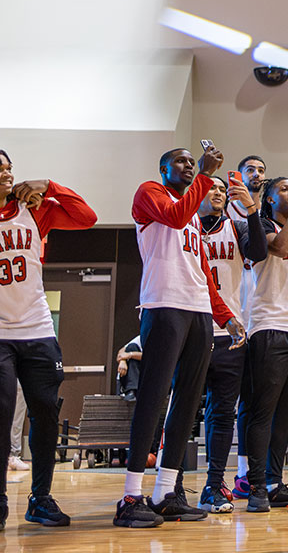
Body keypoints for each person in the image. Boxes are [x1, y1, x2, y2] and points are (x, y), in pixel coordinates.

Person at [116, 145, 244, 528]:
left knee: (188, 404)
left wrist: (226, 315)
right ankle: (130, 495)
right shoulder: (150, 194)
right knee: (153, 399)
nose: (188, 166)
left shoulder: (192, 212)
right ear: (163, 168)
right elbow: (173, 216)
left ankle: (166, 492)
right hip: (164, 306)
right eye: (181, 162)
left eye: (193, 162)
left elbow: (202, 270)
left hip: (199, 311)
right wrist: (205, 174)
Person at [0, 151, 97, 528]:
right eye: (0, 167)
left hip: (37, 329)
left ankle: (40, 498)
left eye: (9, 167)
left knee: (45, 411)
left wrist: (51, 186)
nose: (7, 173)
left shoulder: (35, 210)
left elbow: (86, 217)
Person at [240, 176, 288, 511]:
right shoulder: (259, 225)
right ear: (270, 200)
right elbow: (280, 247)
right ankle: (256, 485)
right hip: (268, 328)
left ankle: (274, 481)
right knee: (263, 412)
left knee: (284, 415)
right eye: (285, 190)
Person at [194, 176, 268, 513]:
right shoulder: (187, 226)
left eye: (223, 189)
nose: (220, 193)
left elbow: (259, 251)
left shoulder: (235, 228)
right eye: (213, 188)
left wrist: (251, 210)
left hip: (230, 332)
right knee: (181, 412)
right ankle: (173, 485)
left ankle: (213, 484)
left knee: (223, 414)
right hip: (192, 328)